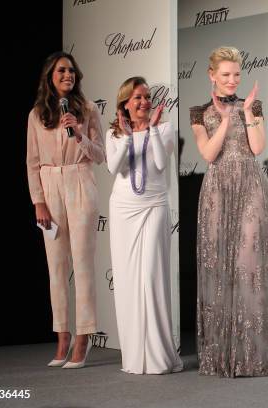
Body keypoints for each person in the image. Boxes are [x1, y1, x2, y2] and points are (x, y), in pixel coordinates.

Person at [189, 46, 268, 377]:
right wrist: (223, 120)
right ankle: (223, 354)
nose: (233, 80)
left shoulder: (254, 106)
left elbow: (257, 147)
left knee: (249, 263)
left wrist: (247, 113)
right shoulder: (199, 112)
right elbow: (208, 153)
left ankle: (255, 353)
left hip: (250, 186)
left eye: (237, 74)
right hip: (218, 191)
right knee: (220, 268)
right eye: (225, 75)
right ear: (212, 76)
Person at [26, 51, 104, 368]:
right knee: (56, 267)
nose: (68, 75)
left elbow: (99, 155)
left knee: (83, 264)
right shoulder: (36, 115)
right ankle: (62, 335)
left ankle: (84, 336)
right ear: (50, 76)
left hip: (80, 180)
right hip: (50, 186)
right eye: (62, 70)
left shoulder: (87, 110)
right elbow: (32, 163)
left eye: (72, 70)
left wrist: (80, 132)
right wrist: (38, 202)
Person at [107, 76, 183, 374]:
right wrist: (128, 136)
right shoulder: (114, 133)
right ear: (125, 103)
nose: (143, 102)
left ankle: (158, 356)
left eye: (147, 96)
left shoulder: (164, 128)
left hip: (153, 206)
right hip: (123, 208)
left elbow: (163, 165)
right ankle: (134, 357)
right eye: (137, 97)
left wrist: (150, 130)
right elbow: (115, 168)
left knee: (151, 277)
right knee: (127, 282)